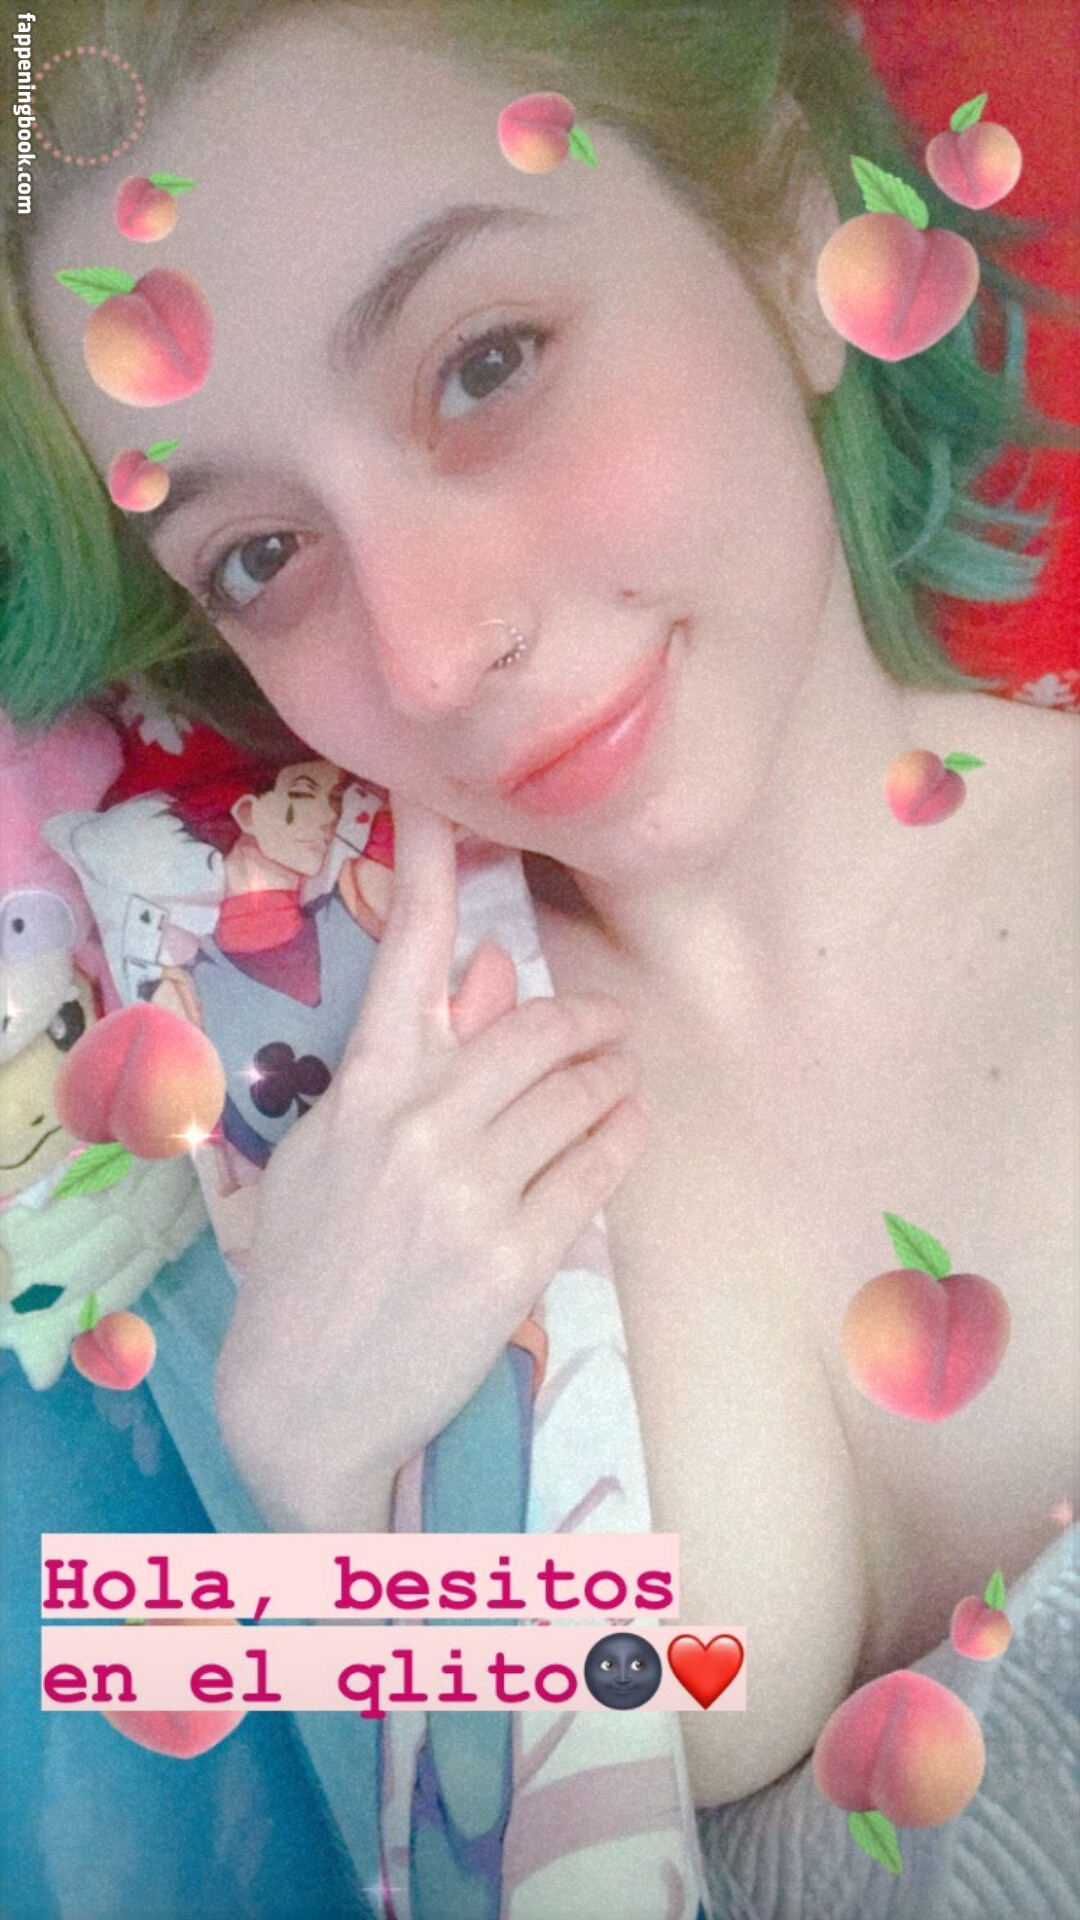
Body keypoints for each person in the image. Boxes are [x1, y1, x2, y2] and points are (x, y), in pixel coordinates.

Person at [1, 0, 1076, 1902]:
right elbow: (162, 1745)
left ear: (791, 240)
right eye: (260, 555)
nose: (428, 655)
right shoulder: (313, 1068)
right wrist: (305, 1482)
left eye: (485, 363)